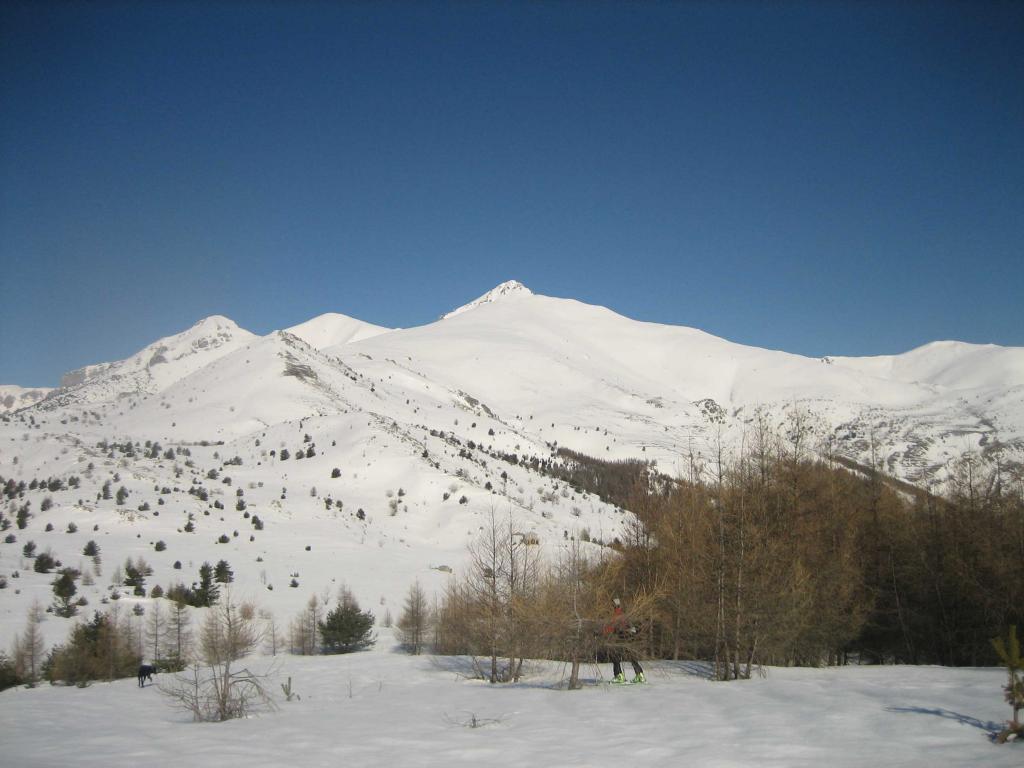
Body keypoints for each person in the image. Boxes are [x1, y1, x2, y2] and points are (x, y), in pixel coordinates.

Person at [602, 596, 645, 683]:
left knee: (615, 656)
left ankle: (619, 676)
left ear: (614, 606)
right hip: (629, 638)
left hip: (622, 638)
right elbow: (633, 629)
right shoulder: (624, 615)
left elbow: (611, 628)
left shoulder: (617, 615)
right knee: (631, 657)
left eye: (612, 605)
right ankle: (640, 675)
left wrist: (599, 633)